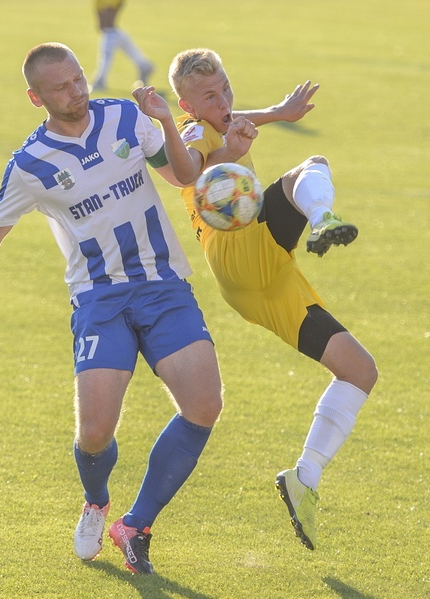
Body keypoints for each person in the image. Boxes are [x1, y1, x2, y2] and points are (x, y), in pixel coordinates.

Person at [0, 43, 223, 575]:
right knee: (94, 433)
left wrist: (164, 123)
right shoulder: (29, 165)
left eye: (78, 79)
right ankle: (96, 500)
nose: (77, 91)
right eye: (62, 87)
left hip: (163, 286)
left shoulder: (125, 116)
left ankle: (135, 525)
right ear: (36, 97)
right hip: (99, 300)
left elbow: (183, 177)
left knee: (204, 404)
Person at [164, 48, 378, 551]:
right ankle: (322, 220)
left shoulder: (223, 119)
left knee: (359, 370)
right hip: (238, 248)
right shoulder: (189, 133)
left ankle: (305, 477)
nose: (224, 102)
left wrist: (277, 114)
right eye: (210, 96)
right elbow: (188, 170)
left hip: (264, 279)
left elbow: (236, 118)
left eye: (227, 88)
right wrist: (230, 155)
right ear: (185, 104)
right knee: (313, 165)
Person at [89, 0, 153, 92]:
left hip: (110, 31)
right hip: (111, 31)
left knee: (107, 47)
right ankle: (144, 65)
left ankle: (100, 80)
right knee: (113, 33)